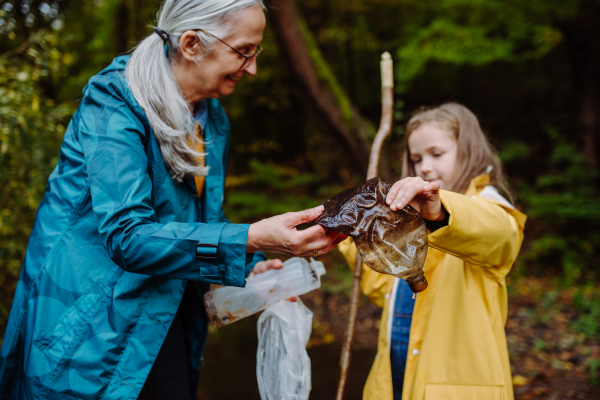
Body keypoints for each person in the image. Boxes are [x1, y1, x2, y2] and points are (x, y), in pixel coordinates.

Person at [0, 1, 346, 399]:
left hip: (169, 315)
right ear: (192, 44)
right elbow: (128, 235)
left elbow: (198, 214)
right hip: (90, 329)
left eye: (257, 51)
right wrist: (249, 238)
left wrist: (249, 264)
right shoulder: (114, 103)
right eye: (243, 51)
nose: (252, 68)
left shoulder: (211, 116)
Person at [339, 103, 527, 400]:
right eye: (416, 158)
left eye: (436, 154)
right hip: (394, 384)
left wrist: (441, 213)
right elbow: (384, 290)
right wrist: (356, 237)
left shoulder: (487, 207)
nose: (424, 166)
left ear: (469, 151)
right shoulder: (410, 223)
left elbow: (497, 234)